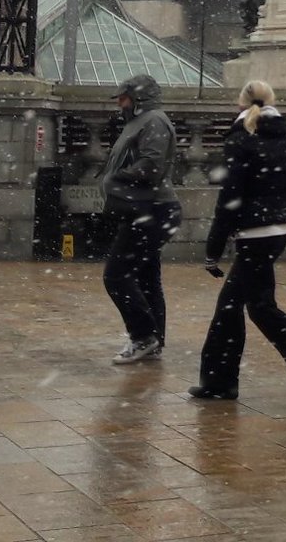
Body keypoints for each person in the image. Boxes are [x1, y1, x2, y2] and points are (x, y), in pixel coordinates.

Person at [191, 81, 286, 407]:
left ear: (240, 104)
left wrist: (212, 250)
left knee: (253, 308)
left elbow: (230, 198)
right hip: (278, 230)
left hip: (255, 233)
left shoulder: (241, 140)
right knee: (242, 307)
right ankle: (221, 381)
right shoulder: (282, 138)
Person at [102, 74, 182, 365]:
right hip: (145, 208)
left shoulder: (154, 121)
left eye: (123, 98)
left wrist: (117, 177)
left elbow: (151, 165)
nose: (119, 104)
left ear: (138, 98)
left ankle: (143, 336)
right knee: (147, 277)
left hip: (151, 210)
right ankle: (153, 339)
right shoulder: (140, 121)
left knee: (116, 275)